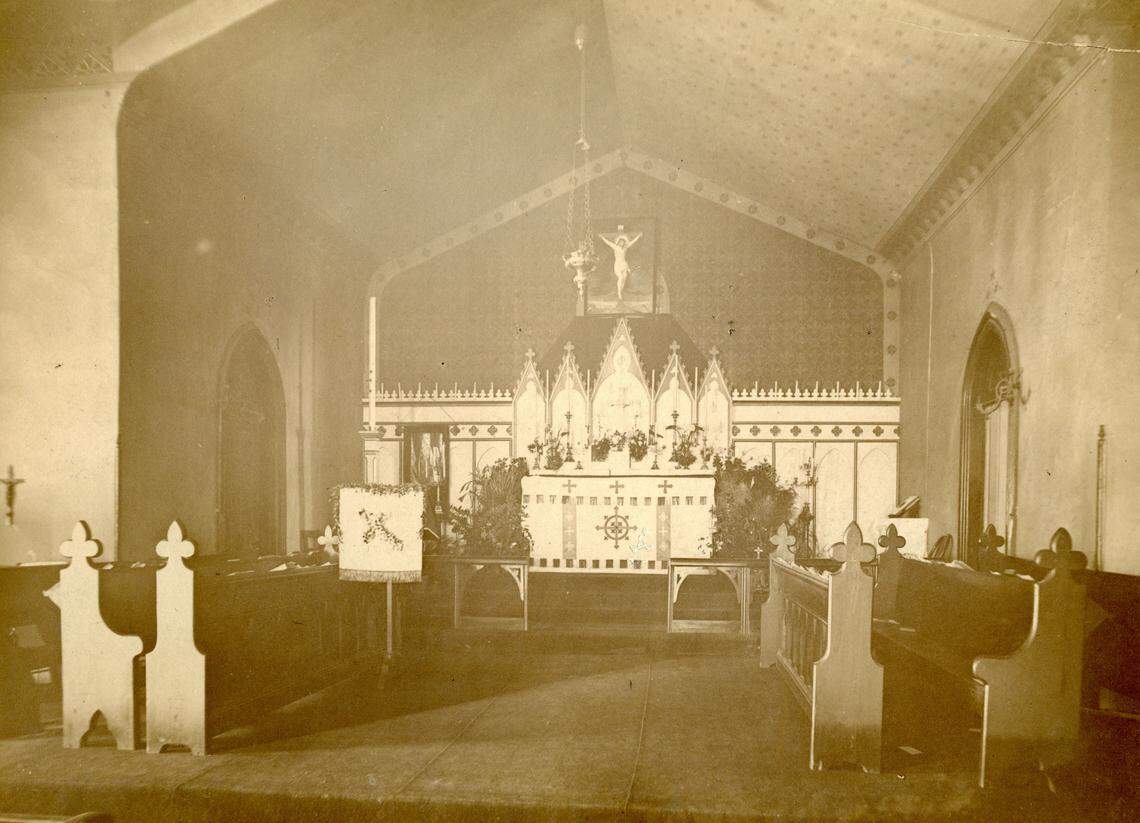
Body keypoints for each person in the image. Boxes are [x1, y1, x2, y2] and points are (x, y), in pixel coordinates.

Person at [599, 226, 642, 300]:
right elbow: (608, 242)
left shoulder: (626, 247)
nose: (622, 243)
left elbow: (632, 242)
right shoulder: (615, 247)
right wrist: (602, 237)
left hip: (624, 264)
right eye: (620, 242)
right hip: (618, 265)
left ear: (624, 242)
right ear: (618, 242)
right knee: (620, 277)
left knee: (624, 278)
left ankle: (620, 292)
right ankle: (619, 293)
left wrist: (638, 236)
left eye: (623, 242)